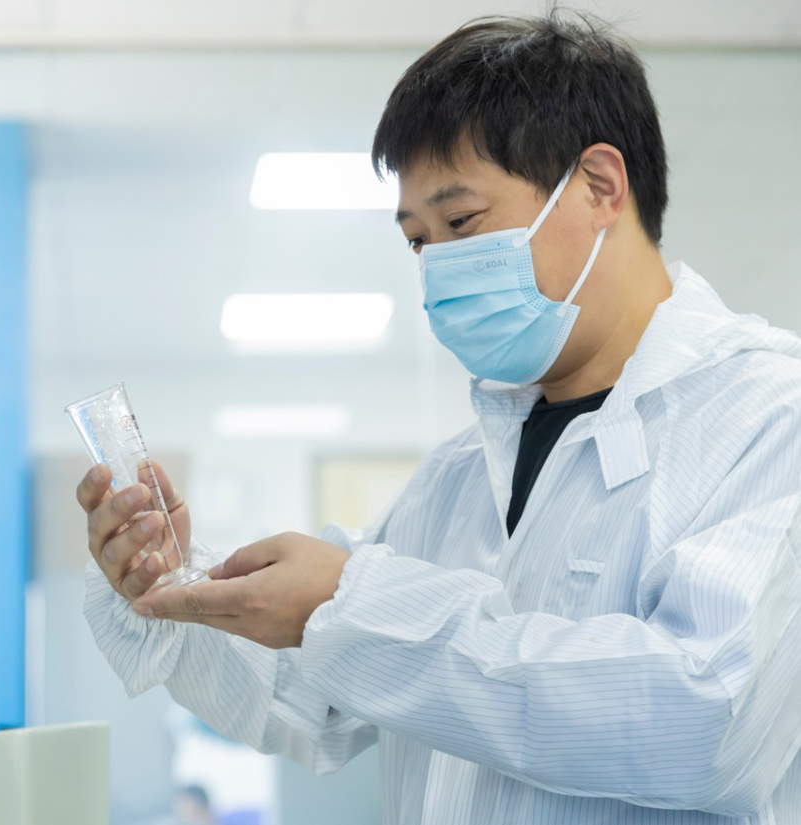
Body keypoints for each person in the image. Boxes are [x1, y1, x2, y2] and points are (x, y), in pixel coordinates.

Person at [76, 11, 801, 823]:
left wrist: (352, 602)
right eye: (419, 240)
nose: (440, 267)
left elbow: (708, 724)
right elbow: (316, 697)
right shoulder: (457, 477)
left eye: (461, 223)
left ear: (600, 185)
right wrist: (177, 588)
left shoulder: (769, 417)